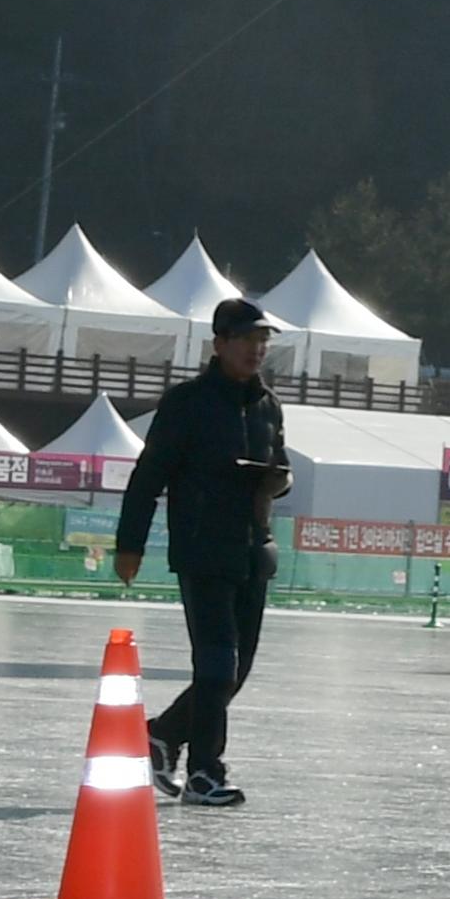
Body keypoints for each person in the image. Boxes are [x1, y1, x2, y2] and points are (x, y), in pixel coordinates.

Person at [115, 296, 290, 807]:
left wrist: (276, 481)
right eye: (248, 340)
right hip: (202, 550)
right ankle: (204, 772)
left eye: (264, 341)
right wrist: (131, 544)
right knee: (215, 665)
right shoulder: (187, 403)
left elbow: (276, 465)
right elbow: (148, 478)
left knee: (234, 672)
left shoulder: (268, 406)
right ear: (220, 344)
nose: (258, 350)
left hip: (253, 552)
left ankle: (163, 735)